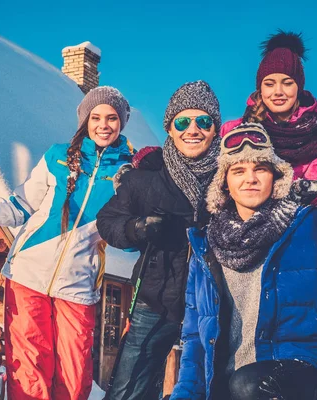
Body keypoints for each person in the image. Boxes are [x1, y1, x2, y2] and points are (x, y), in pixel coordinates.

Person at [171, 122, 317, 400]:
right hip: (231, 385)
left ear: (276, 177)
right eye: (238, 171)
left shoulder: (311, 224)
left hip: (308, 371)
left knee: (247, 384)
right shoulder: (205, 249)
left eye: (260, 169)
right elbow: (194, 341)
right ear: (224, 183)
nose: (249, 179)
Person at [0, 86, 134, 400]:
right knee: (29, 367)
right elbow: (19, 207)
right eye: (96, 117)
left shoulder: (127, 172)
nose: (103, 124)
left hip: (78, 285)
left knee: (75, 375)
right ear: (85, 120)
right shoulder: (57, 156)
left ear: (122, 123)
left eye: (112, 118)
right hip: (27, 275)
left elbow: (127, 235)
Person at [97, 81, 222, 399]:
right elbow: (108, 221)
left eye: (203, 121)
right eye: (183, 122)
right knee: (130, 386)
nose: (192, 129)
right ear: (169, 127)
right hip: (155, 298)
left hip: (213, 301)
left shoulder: (230, 176)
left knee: (210, 385)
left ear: (215, 128)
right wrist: (138, 228)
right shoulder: (146, 178)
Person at [221, 30, 317, 204]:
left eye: (287, 83)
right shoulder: (233, 132)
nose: (278, 92)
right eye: (269, 84)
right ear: (260, 89)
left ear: (298, 88)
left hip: (305, 225)